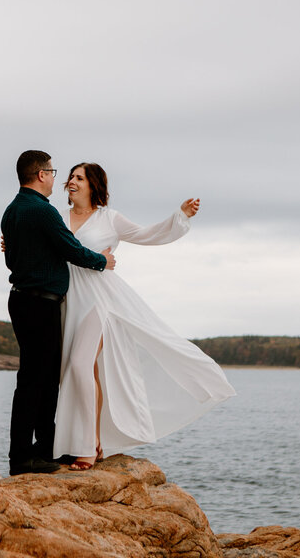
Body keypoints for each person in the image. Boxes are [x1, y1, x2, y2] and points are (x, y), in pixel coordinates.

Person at [54, 162, 235, 470]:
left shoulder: (109, 219)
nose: (72, 181)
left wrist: (179, 217)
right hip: (68, 300)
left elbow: (148, 234)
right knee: (87, 372)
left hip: (100, 302)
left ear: (93, 185)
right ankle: (94, 442)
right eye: (71, 177)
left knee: (81, 365)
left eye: (79, 178)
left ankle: (84, 448)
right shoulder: (57, 218)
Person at [1, 150, 116, 476]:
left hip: (22, 300)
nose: (57, 178)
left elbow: (12, 260)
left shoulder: (11, 212)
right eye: (52, 171)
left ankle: (44, 449)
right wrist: (102, 261)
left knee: (41, 377)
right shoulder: (44, 212)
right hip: (41, 303)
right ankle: (25, 457)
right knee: (37, 381)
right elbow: (71, 249)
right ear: (41, 175)